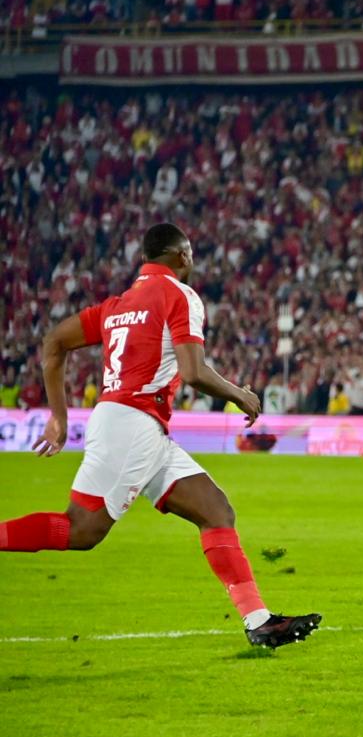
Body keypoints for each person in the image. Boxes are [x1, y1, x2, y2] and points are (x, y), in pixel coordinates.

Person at [0, 223, 321, 648]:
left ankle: (258, 620)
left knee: (216, 510)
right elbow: (192, 372)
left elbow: (53, 343)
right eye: (191, 254)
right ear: (182, 256)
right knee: (81, 531)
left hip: (139, 427)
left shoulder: (118, 305)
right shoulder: (180, 295)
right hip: (132, 425)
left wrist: (58, 416)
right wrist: (239, 395)